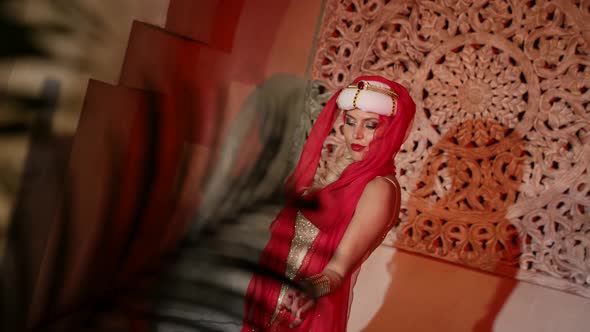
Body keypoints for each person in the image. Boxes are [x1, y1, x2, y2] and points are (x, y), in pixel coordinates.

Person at [242, 75, 416, 331]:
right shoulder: (341, 177)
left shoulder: (379, 189)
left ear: (390, 130)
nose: (356, 133)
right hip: (274, 298)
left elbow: (336, 271)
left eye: (370, 125)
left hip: (302, 309)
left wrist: (306, 290)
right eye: (350, 121)